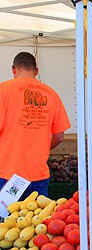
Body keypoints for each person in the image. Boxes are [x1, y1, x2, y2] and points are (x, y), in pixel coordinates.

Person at [0, 52, 71, 202]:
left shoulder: (3, 90)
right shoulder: (52, 94)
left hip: (6, 174)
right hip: (38, 175)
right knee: (36, 222)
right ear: (36, 71)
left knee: (6, 223)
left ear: (13, 69)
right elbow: (59, 137)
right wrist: (43, 147)